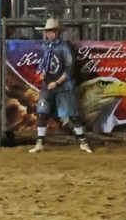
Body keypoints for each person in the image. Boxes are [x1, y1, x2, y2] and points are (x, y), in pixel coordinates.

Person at [30, 18, 91, 154]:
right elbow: (44, 63)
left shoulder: (64, 47)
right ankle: (40, 142)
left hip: (63, 86)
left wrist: (57, 82)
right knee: (41, 112)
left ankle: (83, 141)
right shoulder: (45, 46)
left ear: (58, 32)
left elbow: (70, 68)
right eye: (48, 32)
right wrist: (43, 73)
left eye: (52, 31)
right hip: (48, 84)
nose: (49, 34)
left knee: (72, 115)